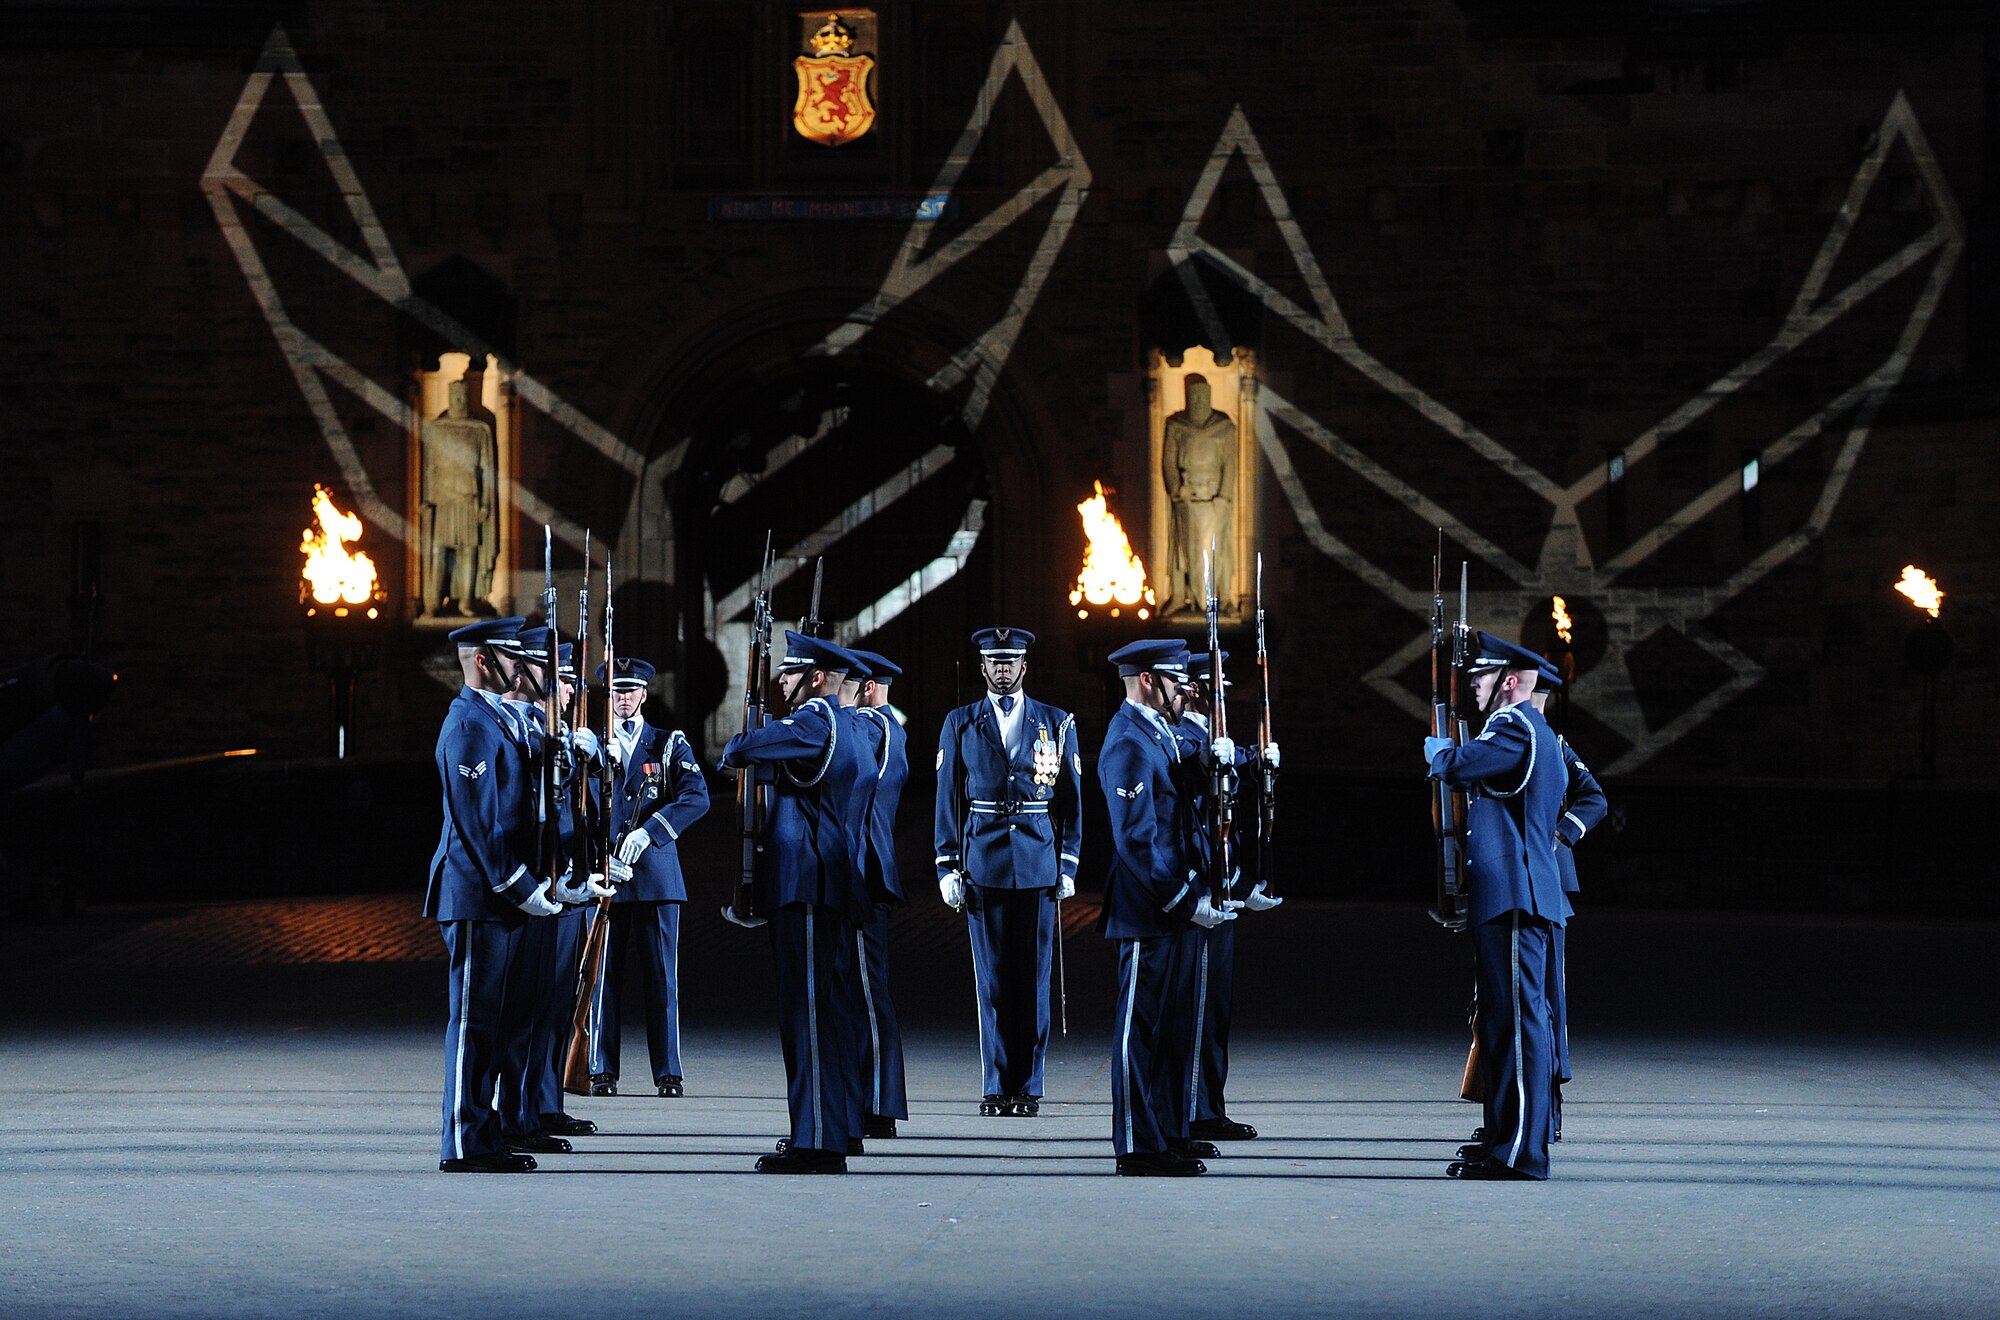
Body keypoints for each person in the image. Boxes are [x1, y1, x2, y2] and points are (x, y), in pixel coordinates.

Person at [719, 632, 876, 1173]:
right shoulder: (854, 724)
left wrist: (756, 724)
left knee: (805, 1015)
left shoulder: (814, 722)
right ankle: (832, 1129)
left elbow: (740, 749)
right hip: (831, 883)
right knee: (827, 1015)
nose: (778, 681)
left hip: (805, 886)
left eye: (788, 673)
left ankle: (815, 1143)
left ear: (814, 678)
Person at [425, 618, 578, 1173]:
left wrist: (559, 877)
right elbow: (478, 824)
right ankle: (464, 1145)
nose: (525, 670)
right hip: (477, 894)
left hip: (503, 894)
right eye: (515, 659)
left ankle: (487, 1133)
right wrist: (519, 887)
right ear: (485, 661)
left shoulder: (503, 722)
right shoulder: (469, 726)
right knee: (473, 1022)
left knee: (501, 1021)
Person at [1425, 631, 1570, 1181]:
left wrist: (1441, 751)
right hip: (1507, 892)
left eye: (1480, 678)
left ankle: (1521, 1153)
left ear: (1509, 682)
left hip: (1516, 895)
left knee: (1519, 1025)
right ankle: (1504, 1142)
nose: (1472, 687)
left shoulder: (1514, 725)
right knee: (1502, 1025)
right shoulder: (1528, 728)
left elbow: (1461, 766)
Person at [1099, 639, 1237, 1177]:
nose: (1187, 690)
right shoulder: (1128, 742)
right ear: (1150, 682)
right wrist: (1182, 899)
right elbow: (1137, 840)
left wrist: (1239, 763)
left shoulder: (1156, 734)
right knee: (1140, 1031)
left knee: (1173, 1029)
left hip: (1171, 908)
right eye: (1176, 681)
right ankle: (1137, 1146)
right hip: (1147, 910)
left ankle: (1168, 1131)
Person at [933, 627, 1083, 1118]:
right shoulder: (959, 722)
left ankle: (1030, 1086)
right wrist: (947, 865)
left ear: (1024, 666)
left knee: (1034, 980)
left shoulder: (1056, 723)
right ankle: (997, 1085)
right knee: (992, 980)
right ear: (982, 667)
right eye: (994, 662)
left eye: (1010, 661)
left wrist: (1067, 863)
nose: (1002, 669)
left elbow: (1073, 803)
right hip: (983, 862)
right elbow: (947, 800)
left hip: (1038, 863)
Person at [587, 656, 710, 1099]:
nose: (622, 699)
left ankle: (668, 1071)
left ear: (643, 695)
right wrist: (595, 857)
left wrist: (650, 833)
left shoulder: (667, 743)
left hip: (656, 876)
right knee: (603, 979)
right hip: (606, 876)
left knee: (662, 978)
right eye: (616, 691)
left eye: (630, 691)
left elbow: (697, 797)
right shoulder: (593, 745)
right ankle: (601, 1069)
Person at [1180, 651, 1281, 1145]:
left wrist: (1257, 758)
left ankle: (1208, 1105)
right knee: (1195, 1007)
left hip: (1222, 885)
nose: (1224, 692)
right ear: (1197, 688)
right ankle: (1191, 1110)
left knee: (1214, 1008)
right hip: (1196, 889)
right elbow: (1200, 773)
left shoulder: (1205, 736)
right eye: (1216, 685)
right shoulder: (1181, 736)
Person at [1530, 663, 1606, 1141]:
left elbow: (1593, 797)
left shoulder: (1553, 744)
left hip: (1549, 883)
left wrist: (1561, 833)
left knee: (1547, 1002)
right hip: (1515, 882)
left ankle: (1548, 1113)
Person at [847, 648, 910, 1139]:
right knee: (863, 990)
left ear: (867, 687)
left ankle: (880, 1102)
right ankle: (869, 1098)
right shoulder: (887, 726)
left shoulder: (873, 726)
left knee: (869, 993)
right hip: (865, 873)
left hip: (864, 875)